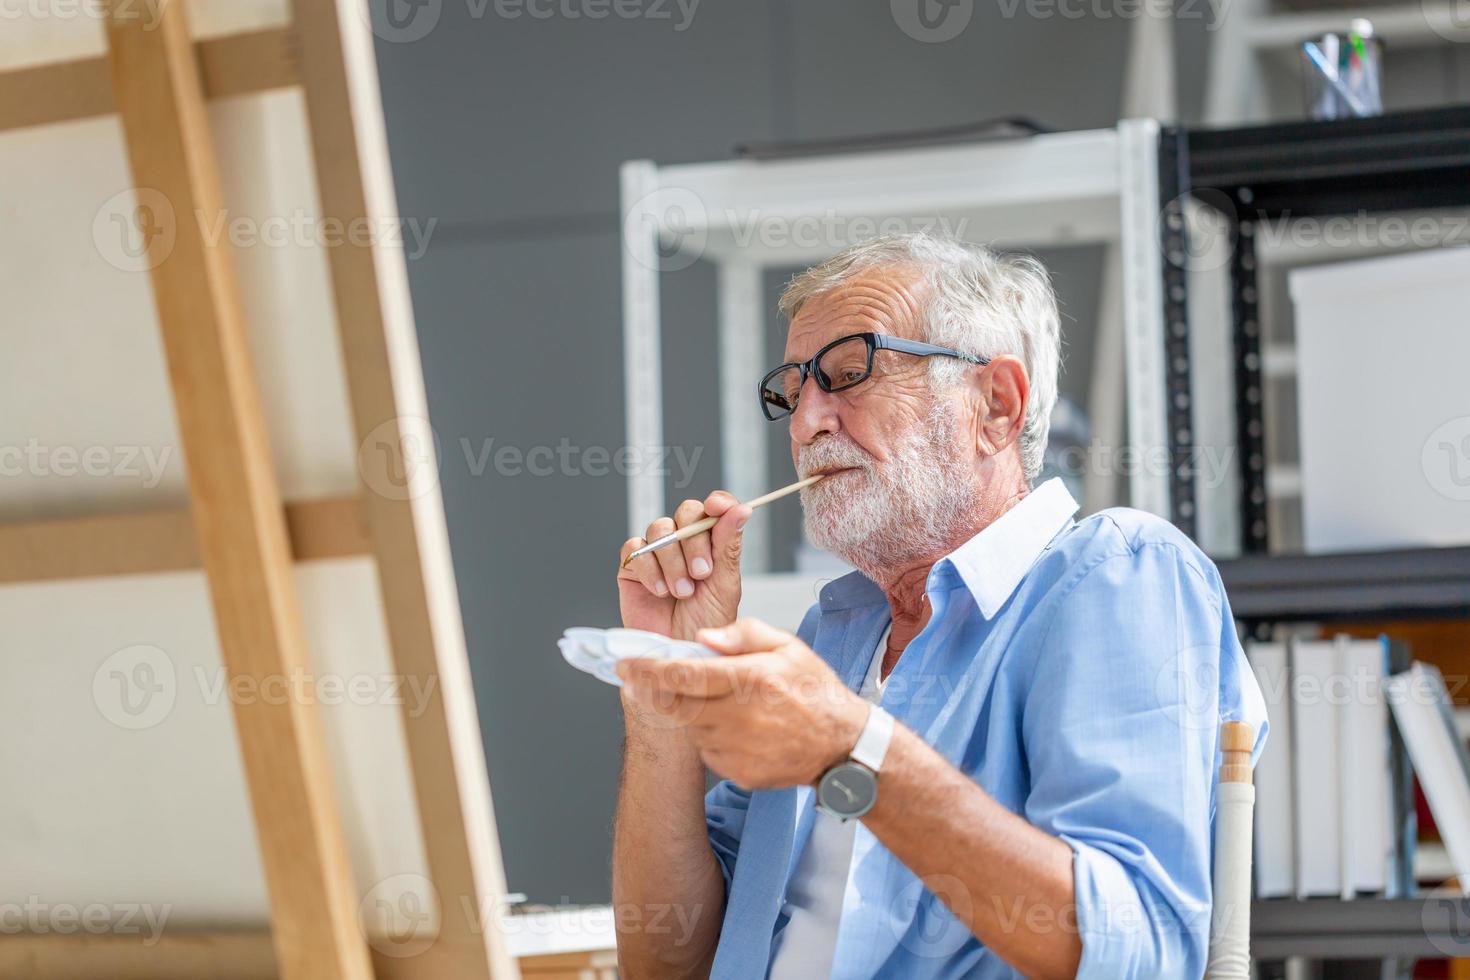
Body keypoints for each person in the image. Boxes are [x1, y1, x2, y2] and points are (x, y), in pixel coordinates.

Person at [611, 232, 1266, 979]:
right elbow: (669, 963)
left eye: (849, 373)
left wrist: (849, 750)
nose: (805, 424)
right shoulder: (835, 635)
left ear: (996, 404)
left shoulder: (1115, 573)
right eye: (794, 392)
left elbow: (1136, 955)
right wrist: (661, 686)